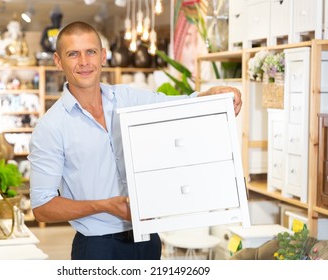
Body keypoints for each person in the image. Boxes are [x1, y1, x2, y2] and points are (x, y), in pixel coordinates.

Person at [28, 21, 242, 260]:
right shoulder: (51, 127)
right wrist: (105, 205)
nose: (84, 62)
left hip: (147, 240)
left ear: (103, 56)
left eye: (91, 51)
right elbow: (42, 207)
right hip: (97, 248)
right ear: (58, 61)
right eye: (73, 54)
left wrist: (209, 96)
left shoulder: (128, 98)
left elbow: (177, 107)